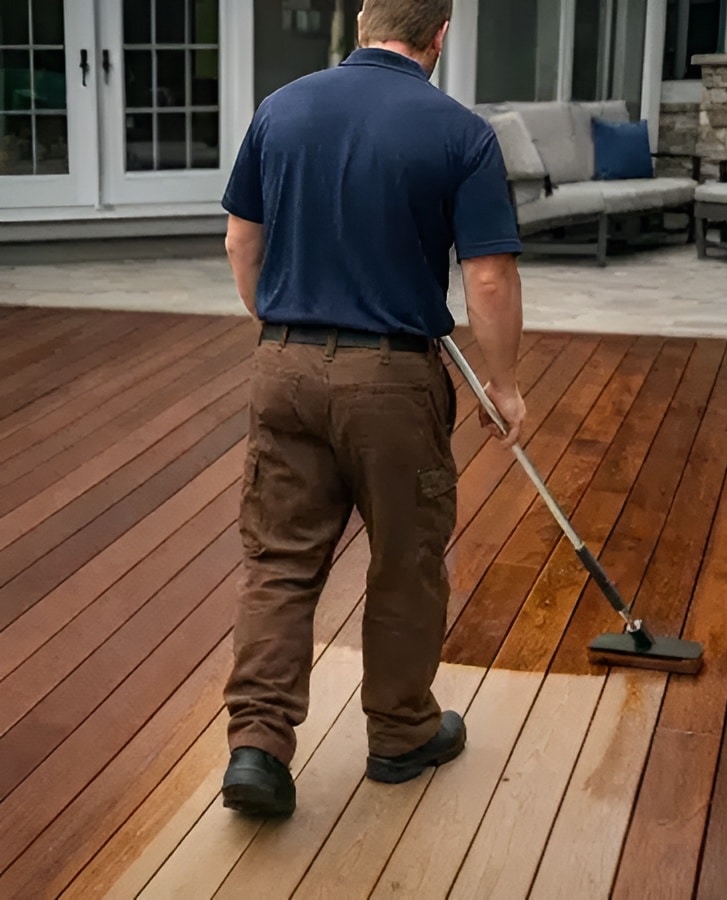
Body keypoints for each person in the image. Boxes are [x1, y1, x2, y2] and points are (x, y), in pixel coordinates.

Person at [220, 0, 526, 818]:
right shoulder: (459, 132)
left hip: (283, 363)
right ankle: (400, 735)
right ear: (440, 36)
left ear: (362, 19)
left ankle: (256, 746)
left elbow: (239, 241)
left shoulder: (280, 109)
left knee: (279, 561)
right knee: (404, 558)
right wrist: (504, 384)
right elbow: (489, 277)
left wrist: (277, 326)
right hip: (393, 380)